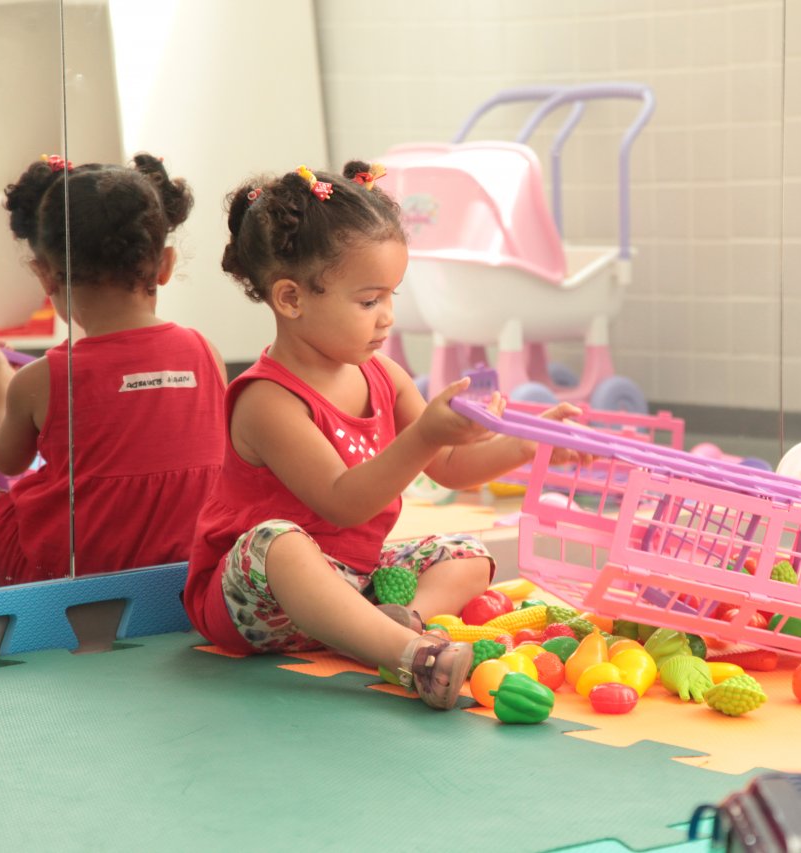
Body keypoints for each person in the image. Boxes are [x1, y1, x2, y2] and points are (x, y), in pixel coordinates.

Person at [185, 161, 580, 710]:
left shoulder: (383, 375)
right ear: (291, 300)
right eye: (369, 301)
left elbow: (448, 466)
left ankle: (398, 620)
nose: (387, 318)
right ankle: (410, 655)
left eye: (392, 296)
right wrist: (422, 436)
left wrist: (528, 444)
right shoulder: (267, 401)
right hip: (258, 599)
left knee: (464, 551)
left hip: (354, 582)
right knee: (279, 542)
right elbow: (342, 503)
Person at [0, 153, 227, 587]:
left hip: (65, 574)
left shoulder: (42, 378)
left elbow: (5, 459)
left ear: (45, 275)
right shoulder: (206, 353)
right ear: (164, 265)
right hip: (187, 569)